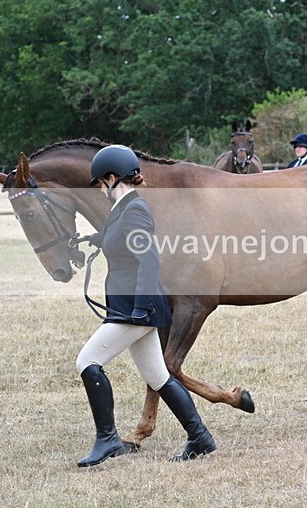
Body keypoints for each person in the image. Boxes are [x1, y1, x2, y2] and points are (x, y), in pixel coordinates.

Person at [75, 144, 217, 467]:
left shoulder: (134, 209)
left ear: (112, 178)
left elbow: (149, 259)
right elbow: (120, 238)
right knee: (158, 375)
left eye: (101, 182)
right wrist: (94, 239)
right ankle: (201, 438)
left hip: (135, 309)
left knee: (87, 361)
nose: (101, 189)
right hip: (135, 308)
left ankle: (107, 439)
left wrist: (140, 309)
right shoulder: (124, 209)